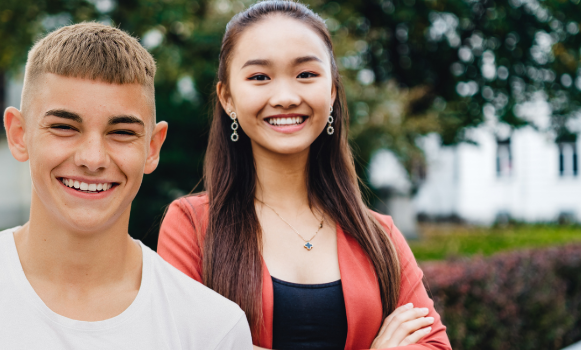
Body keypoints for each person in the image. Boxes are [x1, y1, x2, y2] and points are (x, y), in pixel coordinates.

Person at [0, 23, 251, 349]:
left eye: (121, 132)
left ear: (152, 147)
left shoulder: (212, 329)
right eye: (64, 127)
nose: (93, 158)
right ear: (19, 134)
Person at [157, 2, 452, 350]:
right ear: (227, 98)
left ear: (331, 92)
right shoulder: (191, 226)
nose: (285, 97)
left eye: (306, 75)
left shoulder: (379, 235)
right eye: (259, 77)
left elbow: (431, 343)